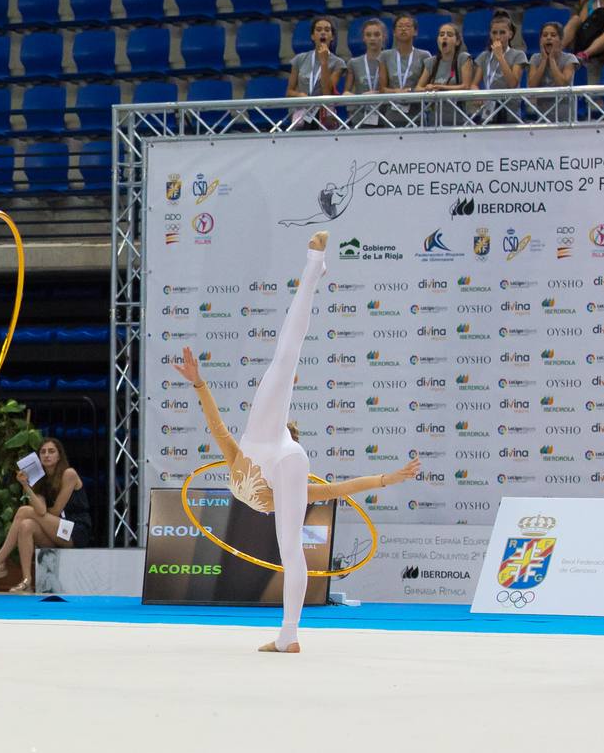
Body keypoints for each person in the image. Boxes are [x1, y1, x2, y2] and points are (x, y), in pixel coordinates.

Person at [165, 232, 422, 653]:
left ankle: (313, 266)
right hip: (281, 458)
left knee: (286, 358)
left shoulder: (250, 452)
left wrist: (200, 384)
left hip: (269, 447)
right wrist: (388, 478)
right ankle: (289, 636)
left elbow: (218, 429)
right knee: (289, 548)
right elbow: (338, 490)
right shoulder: (285, 463)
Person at [0, 437, 90, 592]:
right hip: (55, 532)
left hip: (74, 531)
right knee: (26, 525)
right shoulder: (39, 480)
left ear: (59, 456)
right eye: (43, 452)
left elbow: (53, 511)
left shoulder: (69, 474)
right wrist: (26, 485)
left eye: (51, 451)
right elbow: (40, 510)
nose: (47, 455)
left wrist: (38, 512)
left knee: (24, 511)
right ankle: (26, 580)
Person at [287, 15, 346, 129]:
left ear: (332, 36)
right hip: (302, 111)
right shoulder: (300, 59)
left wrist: (324, 63)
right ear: (313, 36)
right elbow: (289, 92)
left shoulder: (338, 63)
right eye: (318, 30)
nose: (323, 33)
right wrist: (299, 94)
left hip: (323, 114)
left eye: (327, 30)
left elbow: (327, 92)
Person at [474, 10, 528, 122]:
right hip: (488, 110)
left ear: (510, 34)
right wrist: (477, 94)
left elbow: (513, 83)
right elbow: (474, 84)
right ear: (490, 34)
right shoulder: (484, 56)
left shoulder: (518, 54)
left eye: (502, 33)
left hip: (510, 110)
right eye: (494, 33)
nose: (498, 37)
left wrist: (500, 57)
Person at [348, 18, 390, 126]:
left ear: (384, 37)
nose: (372, 38)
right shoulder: (354, 63)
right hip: (360, 118)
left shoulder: (391, 61)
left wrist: (378, 94)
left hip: (387, 119)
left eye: (377, 35)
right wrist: (361, 97)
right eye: (368, 35)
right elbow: (346, 93)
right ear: (363, 38)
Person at [420, 22, 475, 92]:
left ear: (457, 41)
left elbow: (466, 86)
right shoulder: (431, 61)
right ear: (437, 40)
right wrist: (427, 89)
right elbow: (418, 88)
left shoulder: (464, 58)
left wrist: (441, 87)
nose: (445, 37)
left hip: (455, 102)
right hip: (435, 103)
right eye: (441, 35)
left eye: (449, 35)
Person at [383, 14, 432, 94]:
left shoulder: (425, 55)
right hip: (392, 104)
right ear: (394, 32)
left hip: (416, 103)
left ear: (415, 32)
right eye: (400, 26)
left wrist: (410, 91)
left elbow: (428, 85)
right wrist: (396, 91)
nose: (403, 29)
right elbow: (382, 89)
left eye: (408, 26)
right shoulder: (385, 55)